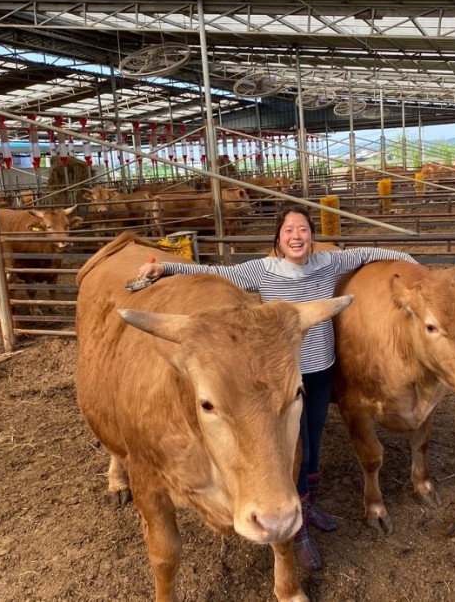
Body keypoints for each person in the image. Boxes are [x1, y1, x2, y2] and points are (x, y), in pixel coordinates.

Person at [137, 204, 417, 569]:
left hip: (319, 372)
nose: (296, 236)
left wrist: (409, 260)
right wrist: (169, 267)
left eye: (302, 230)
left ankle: (308, 507)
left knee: (312, 442)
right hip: (276, 381)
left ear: (312, 236)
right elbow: (216, 272)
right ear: (279, 238)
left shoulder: (328, 264)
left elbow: (370, 253)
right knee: (285, 449)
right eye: (289, 231)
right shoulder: (261, 270)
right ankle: (293, 522)